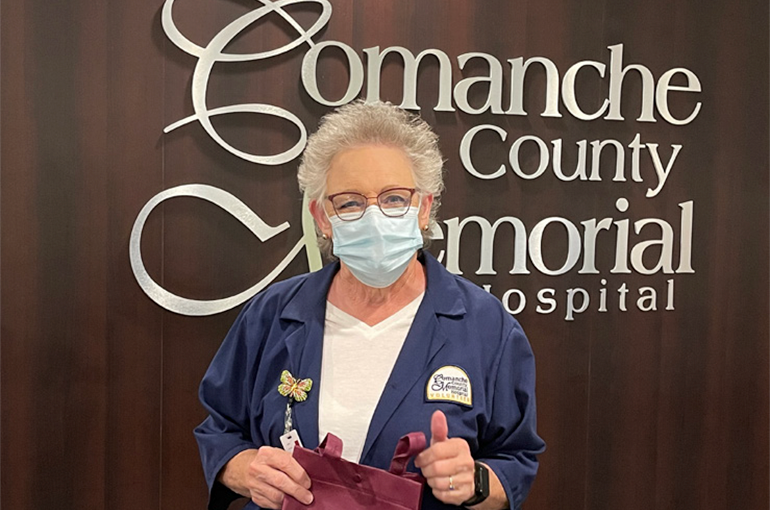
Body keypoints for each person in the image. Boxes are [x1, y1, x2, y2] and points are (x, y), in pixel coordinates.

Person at [194, 101, 545, 510]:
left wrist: (476, 483)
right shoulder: (271, 316)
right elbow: (220, 430)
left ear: (424, 208)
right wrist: (245, 469)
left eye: (395, 199)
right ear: (322, 218)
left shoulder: (488, 328)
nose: (374, 216)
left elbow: (516, 459)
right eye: (350, 202)